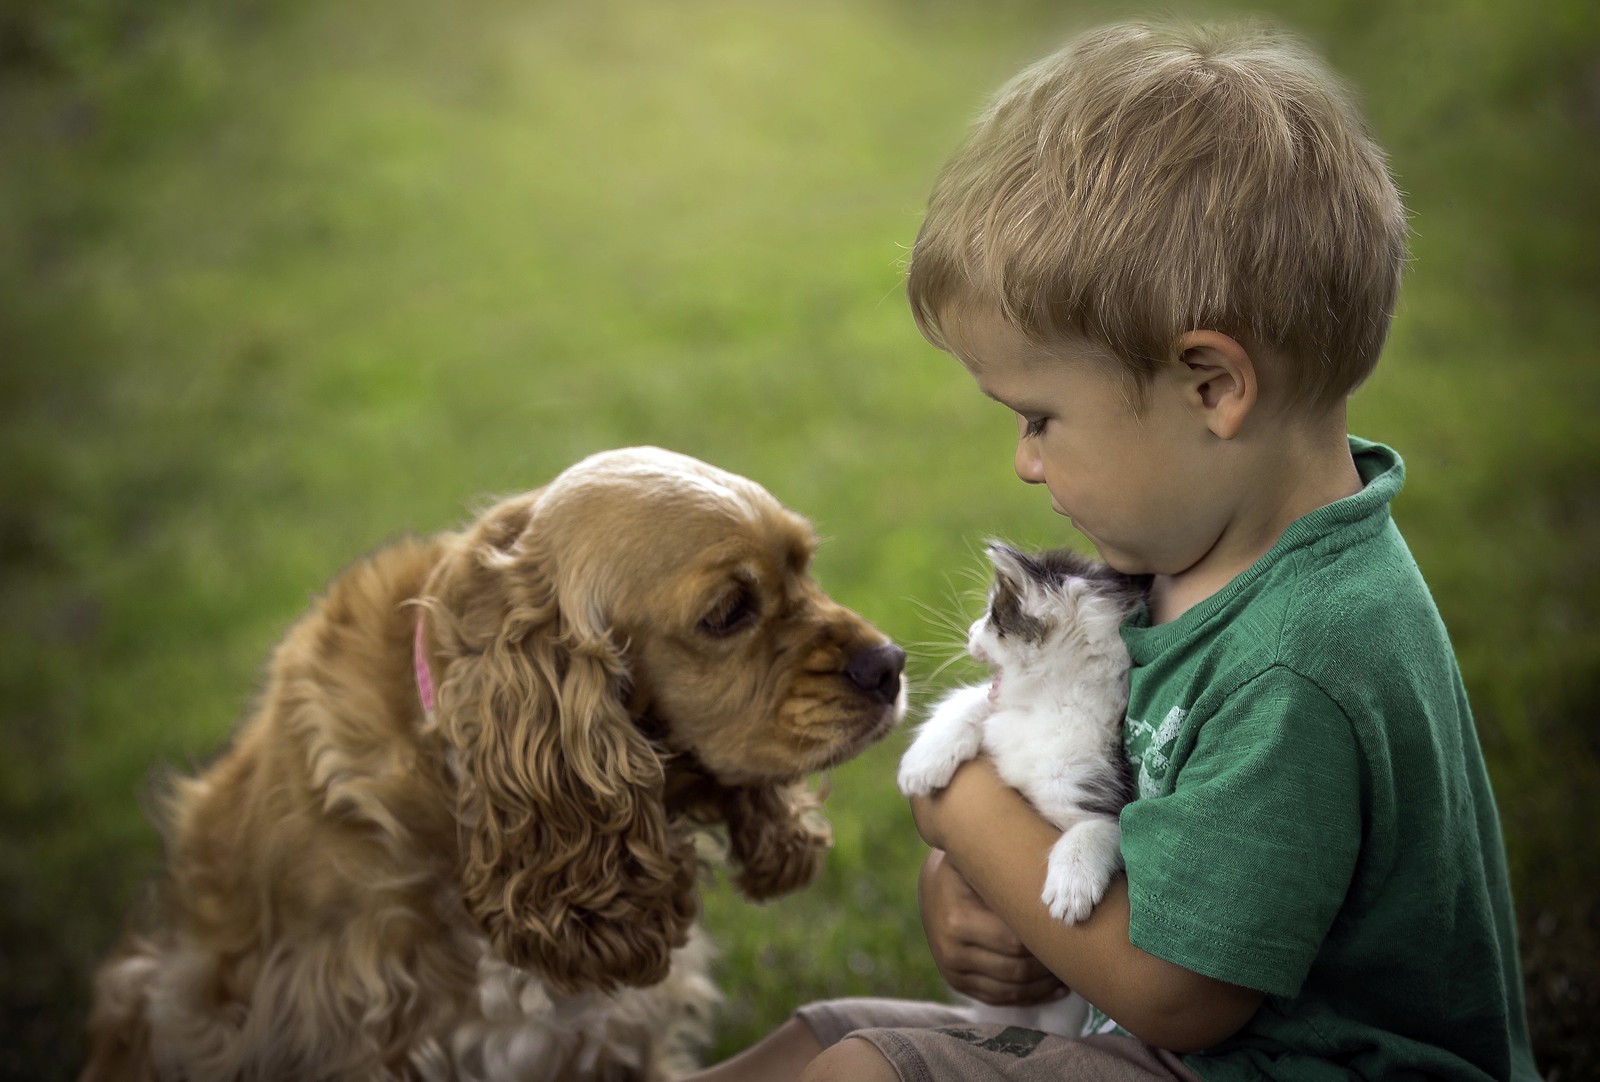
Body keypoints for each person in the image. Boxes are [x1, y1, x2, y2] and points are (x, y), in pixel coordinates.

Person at [687, 19, 1540, 1082]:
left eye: (1040, 417)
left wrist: (954, 802)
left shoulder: (1303, 652)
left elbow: (1176, 992)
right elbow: (1071, 815)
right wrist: (973, 893)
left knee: (865, 1072)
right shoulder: (1181, 566)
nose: (1024, 464)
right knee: (811, 1041)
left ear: (1212, 387)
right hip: (1145, 1045)